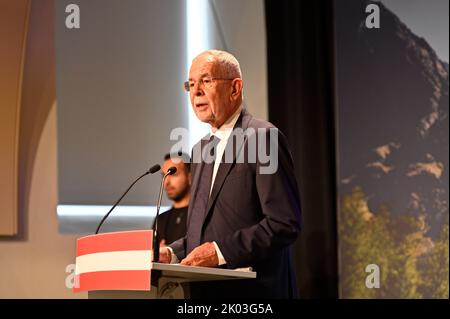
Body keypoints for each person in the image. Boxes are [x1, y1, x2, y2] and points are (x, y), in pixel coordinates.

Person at [160, 50, 301, 299]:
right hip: (205, 295)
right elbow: (202, 233)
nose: (196, 92)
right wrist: (171, 253)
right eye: (191, 84)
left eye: (206, 81)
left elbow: (283, 222)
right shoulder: (201, 149)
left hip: (253, 294)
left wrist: (219, 252)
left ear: (235, 88)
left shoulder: (262, 138)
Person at [153, 153, 191, 246]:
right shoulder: (160, 220)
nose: (166, 182)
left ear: (190, 177)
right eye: (164, 175)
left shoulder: (200, 216)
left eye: (173, 174)